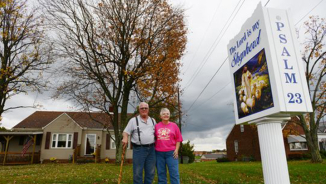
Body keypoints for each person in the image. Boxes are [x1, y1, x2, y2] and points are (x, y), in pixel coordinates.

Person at [122, 102, 156, 184]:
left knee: (150, 172)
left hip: (151, 149)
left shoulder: (153, 120)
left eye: (145, 108)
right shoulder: (133, 121)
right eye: (142, 108)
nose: (144, 109)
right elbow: (125, 132)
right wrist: (125, 138)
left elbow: (158, 133)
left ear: (148, 110)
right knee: (137, 172)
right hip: (139, 149)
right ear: (139, 110)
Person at [155, 108, 183, 184]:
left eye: (167, 113)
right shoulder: (156, 126)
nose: (166, 115)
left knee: (174, 174)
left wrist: (176, 150)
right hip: (159, 154)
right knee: (161, 174)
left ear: (169, 115)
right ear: (160, 116)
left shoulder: (174, 126)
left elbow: (178, 139)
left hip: (171, 153)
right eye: (163, 114)